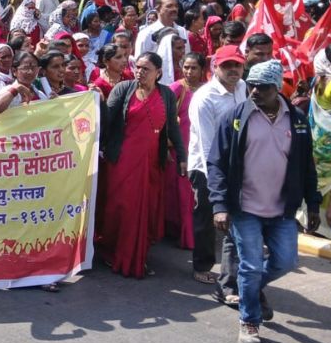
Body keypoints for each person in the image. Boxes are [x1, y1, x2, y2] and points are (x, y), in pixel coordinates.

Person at [208, 60, 321, 343]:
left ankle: (252, 289)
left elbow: (306, 166)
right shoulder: (235, 117)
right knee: (250, 265)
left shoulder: (296, 119)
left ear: (278, 88)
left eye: (264, 86)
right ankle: (249, 322)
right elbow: (217, 164)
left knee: (285, 261)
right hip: (245, 208)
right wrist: (220, 205)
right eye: (252, 85)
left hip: (282, 209)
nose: (256, 90)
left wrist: (313, 204)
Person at [97, 52, 187, 279]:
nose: (140, 72)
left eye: (146, 69)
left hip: (152, 162)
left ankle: (137, 255)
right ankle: (113, 252)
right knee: (122, 208)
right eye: (137, 67)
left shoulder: (166, 94)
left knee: (146, 209)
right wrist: (97, 103)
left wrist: (182, 156)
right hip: (123, 161)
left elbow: (173, 130)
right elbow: (107, 120)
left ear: (158, 73)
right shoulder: (123, 89)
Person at [186, 45, 248, 290]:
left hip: (237, 163)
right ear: (216, 68)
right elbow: (206, 143)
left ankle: (235, 267)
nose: (233, 70)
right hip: (206, 167)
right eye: (227, 65)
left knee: (234, 216)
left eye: (237, 65)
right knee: (207, 216)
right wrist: (219, 177)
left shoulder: (243, 87)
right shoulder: (205, 98)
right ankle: (201, 266)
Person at [165, 52, 206, 250]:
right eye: (186, 67)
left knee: (193, 196)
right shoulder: (176, 88)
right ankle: (185, 237)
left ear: (202, 70)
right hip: (179, 151)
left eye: (194, 68)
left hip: (200, 149)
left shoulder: (206, 90)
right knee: (182, 196)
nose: (189, 72)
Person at [307, 46, 331, 240]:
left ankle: (311, 221)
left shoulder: (317, 79)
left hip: (318, 139)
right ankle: (330, 226)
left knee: (318, 178)